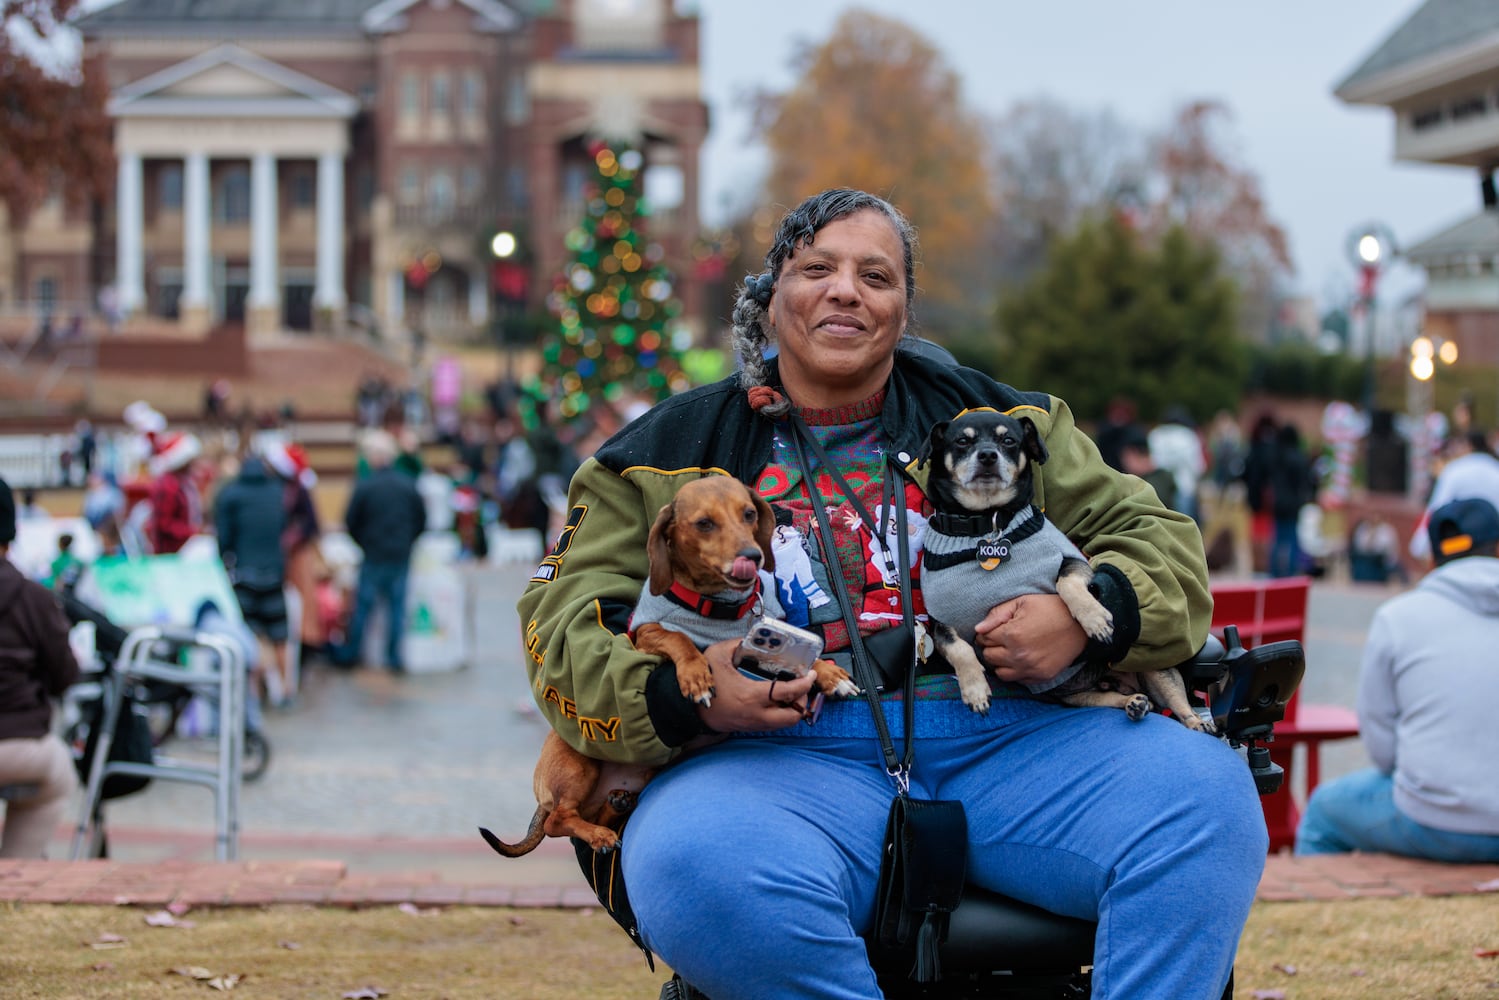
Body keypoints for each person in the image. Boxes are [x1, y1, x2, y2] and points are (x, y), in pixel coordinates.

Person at [515, 189, 1265, 999]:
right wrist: (685, 695)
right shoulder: (656, 454)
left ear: (903, 311)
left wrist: (1086, 620)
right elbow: (559, 627)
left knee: (1205, 803)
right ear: (767, 302)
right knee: (691, 862)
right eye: (816, 269)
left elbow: (1163, 545)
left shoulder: (1013, 422)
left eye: (875, 275)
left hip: (1020, 737)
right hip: (772, 757)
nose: (846, 289)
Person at [1296, 498, 1499, 863]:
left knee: (1323, 813)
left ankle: (1316, 903)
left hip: (1431, 820)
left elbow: (1381, 744)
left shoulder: (1398, 618)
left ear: (1432, 559)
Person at [0, 476, 81, 858]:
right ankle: (19, 874)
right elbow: (65, 675)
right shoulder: (34, 598)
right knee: (58, 775)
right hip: (20, 745)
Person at [334, 430, 426, 673]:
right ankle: (393, 658)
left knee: (363, 607)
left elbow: (350, 521)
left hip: (374, 553)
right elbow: (421, 520)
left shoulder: (365, 486)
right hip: (399, 553)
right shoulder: (407, 484)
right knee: (396, 608)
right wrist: (407, 542)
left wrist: (364, 543)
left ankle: (352, 653)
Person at [213, 450, 292, 706]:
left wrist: (224, 559)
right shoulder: (276, 491)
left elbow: (224, 537)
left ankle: (254, 694)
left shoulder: (231, 494)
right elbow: (282, 526)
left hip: (245, 572)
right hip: (274, 571)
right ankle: (287, 690)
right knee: (280, 634)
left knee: (250, 635)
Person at [1408, 430, 1499, 563]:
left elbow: (1437, 510)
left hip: (1459, 549)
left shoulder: (1455, 470)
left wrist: (1420, 545)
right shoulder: (1495, 469)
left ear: (1469, 445)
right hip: (1492, 551)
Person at [147, 431, 204, 555]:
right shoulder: (168, 486)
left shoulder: (183, 483)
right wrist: (191, 532)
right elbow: (163, 523)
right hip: (171, 551)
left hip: (183, 547)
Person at [1148, 404, 1205, 523]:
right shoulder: (1188, 435)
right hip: (1184, 487)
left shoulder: (1156, 435)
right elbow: (1198, 467)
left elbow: (1152, 462)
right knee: (1184, 527)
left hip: (1159, 489)